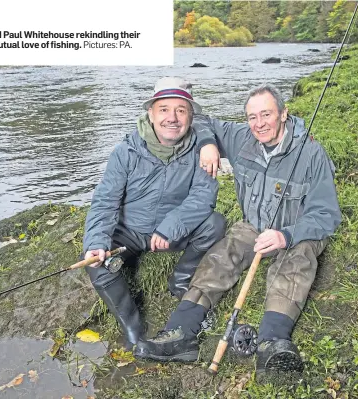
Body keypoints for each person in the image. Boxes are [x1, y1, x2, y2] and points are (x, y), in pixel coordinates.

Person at [134, 84, 342, 373]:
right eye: (252, 117)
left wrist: (285, 236)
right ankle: (181, 333)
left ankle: (272, 342)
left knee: (295, 261)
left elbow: (327, 214)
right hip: (253, 226)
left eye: (266, 114)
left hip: (298, 231)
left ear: (284, 114)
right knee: (221, 256)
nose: (259, 124)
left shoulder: (312, 154)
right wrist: (208, 143)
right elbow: (199, 118)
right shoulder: (240, 137)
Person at [82, 77, 226, 350]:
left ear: (191, 116)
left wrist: (171, 226)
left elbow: (203, 197)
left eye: (181, 110)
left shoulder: (203, 151)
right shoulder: (125, 151)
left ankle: (181, 280)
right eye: (164, 109)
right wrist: (97, 242)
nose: (172, 118)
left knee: (215, 224)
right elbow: (105, 201)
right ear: (150, 113)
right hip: (130, 233)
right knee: (94, 261)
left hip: (170, 235)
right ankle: (132, 328)